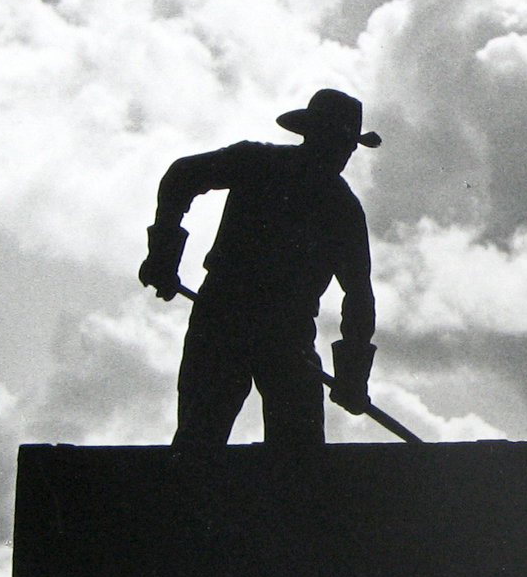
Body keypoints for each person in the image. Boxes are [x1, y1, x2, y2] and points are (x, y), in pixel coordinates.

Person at [138, 88, 380, 446]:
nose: (344, 153)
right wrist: (162, 254)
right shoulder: (329, 200)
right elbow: (181, 176)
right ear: (315, 136)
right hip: (244, 324)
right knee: (218, 440)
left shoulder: (334, 203)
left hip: (259, 326)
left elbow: (359, 294)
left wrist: (353, 377)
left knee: (269, 448)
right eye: (341, 143)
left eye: (348, 146)